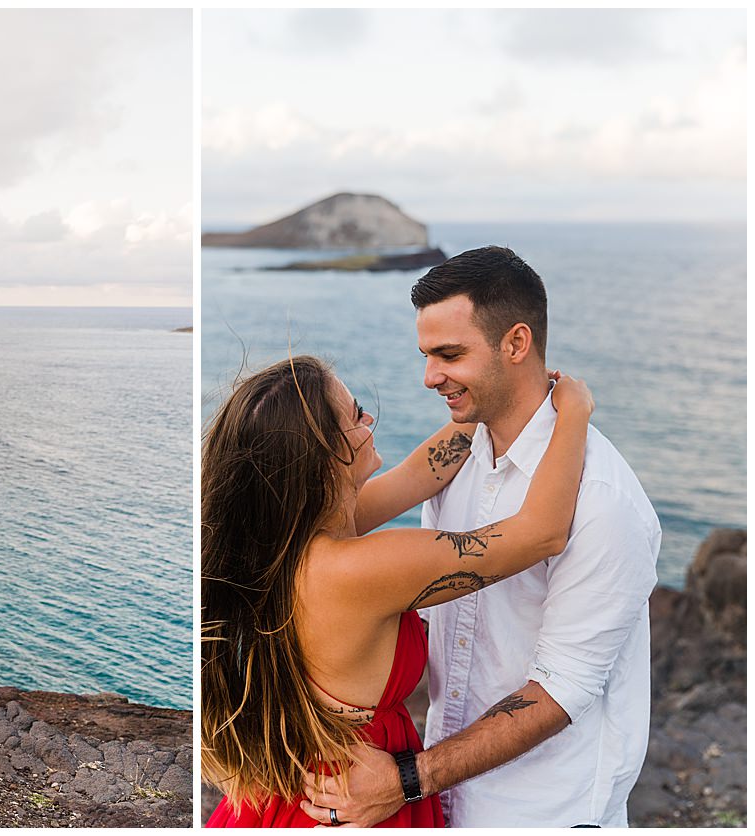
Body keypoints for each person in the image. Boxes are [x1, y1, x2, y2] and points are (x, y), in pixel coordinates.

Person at [298, 246, 660, 827]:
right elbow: (524, 524)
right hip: (444, 801)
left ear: (516, 344)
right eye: (426, 355)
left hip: (541, 811)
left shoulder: (602, 499)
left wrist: (409, 779)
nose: (428, 377)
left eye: (449, 354)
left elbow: (563, 687)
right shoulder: (457, 455)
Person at [201, 351, 595, 827]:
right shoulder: (358, 570)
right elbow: (540, 534)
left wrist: (501, 390)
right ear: (325, 458)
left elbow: (420, 473)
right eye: (355, 415)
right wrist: (575, 412)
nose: (369, 419)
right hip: (354, 797)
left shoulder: (287, 538)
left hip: (301, 790)